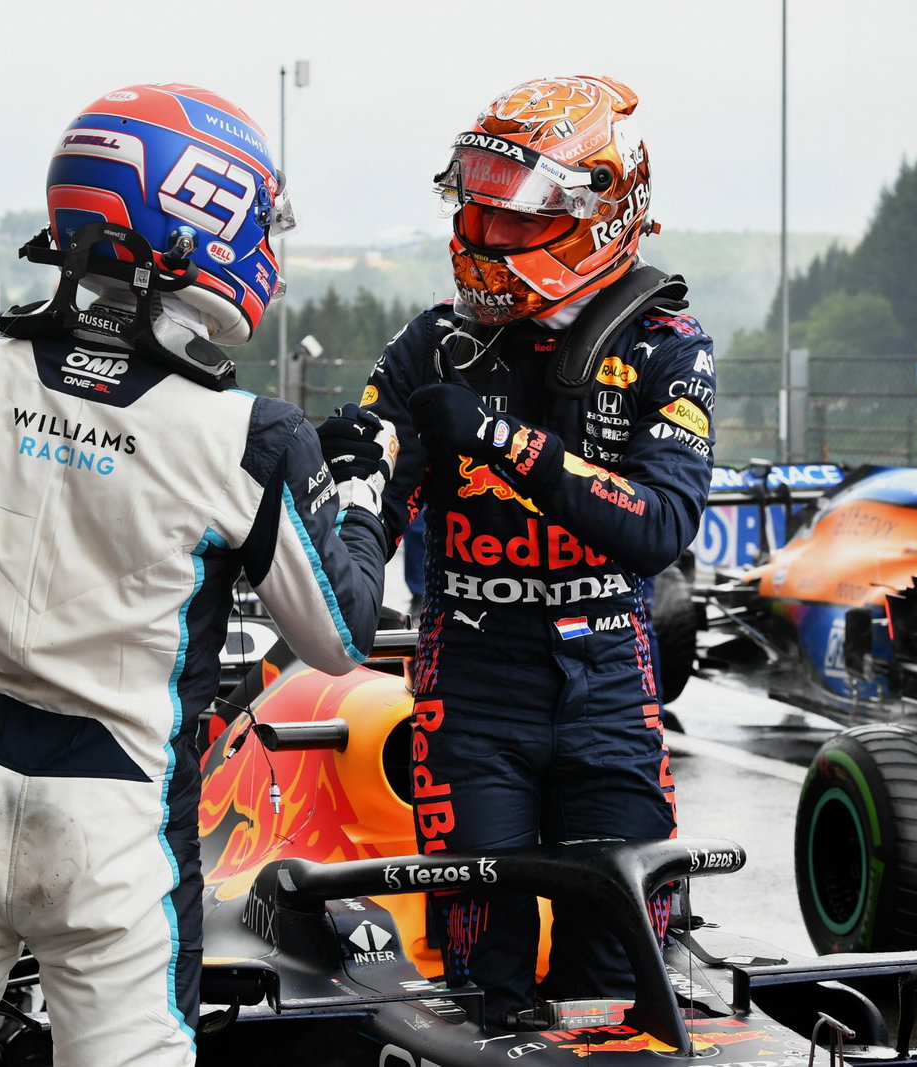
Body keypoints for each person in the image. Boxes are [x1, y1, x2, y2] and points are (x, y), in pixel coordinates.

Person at [0, 83, 395, 1067]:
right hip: (118, 832)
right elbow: (337, 639)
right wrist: (359, 493)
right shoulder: (247, 435)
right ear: (199, 225)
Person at [358, 74, 714, 1028]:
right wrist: (352, 496)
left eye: (510, 219)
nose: (481, 236)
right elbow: (364, 517)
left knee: (622, 965)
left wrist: (503, 443)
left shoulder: (668, 347)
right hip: (471, 676)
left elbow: (659, 526)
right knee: (486, 975)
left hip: (611, 671)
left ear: (599, 211)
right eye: (474, 208)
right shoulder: (428, 347)